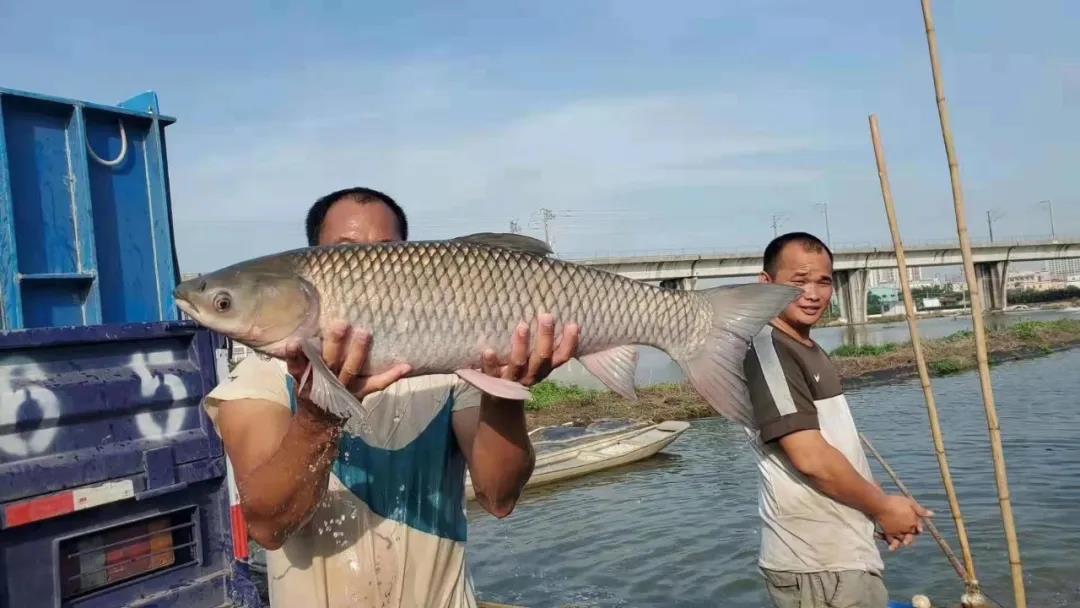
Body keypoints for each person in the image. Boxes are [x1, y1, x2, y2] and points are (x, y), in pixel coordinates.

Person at [202, 187, 580, 608]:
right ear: (312, 262)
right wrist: (318, 413)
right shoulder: (258, 379)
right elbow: (269, 526)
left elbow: (499, 498)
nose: (366, 267)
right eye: (345, 253)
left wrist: (508, 389)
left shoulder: (449, 369)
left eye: (384, 253)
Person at [744, 232, 933, 608]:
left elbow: (839, 447)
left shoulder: (806, 347)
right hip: (817, 566)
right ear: (766, 285)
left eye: (823, 281)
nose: (812, 294)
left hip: (841, 555)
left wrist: (876, 510)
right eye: (798, 282)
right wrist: (882, 507)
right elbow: (811, 458)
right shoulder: (768, 350)